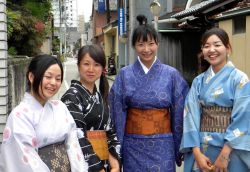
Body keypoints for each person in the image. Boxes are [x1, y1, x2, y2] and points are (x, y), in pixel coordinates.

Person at [109, 15, 189, 172]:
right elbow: (117, 112)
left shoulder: (171, 75)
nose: (146, 49)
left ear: (157, 44)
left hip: (163, 144)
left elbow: (180, 112)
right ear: (134, 46)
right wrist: (117, 148)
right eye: (141, 44)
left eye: (151, 44)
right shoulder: (125, 75)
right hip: (133, 145)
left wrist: (179, 144)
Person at [0, 54, 88, 172]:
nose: (53, 82)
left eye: (58, 78)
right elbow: (27, 163)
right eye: (48, 76)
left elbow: (73, 145)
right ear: (31, 77)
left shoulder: (60, 107)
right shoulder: (19, 116)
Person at [181, 27, 250, 172]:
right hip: (202, 150)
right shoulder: (198, 82)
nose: (212, 50)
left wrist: (224, 155)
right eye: (207, 46)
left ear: (227, 48)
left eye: (217, 45)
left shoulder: (239, 79)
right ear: (203, 52)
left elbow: (244, 117)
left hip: (231, 151)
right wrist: (196, 153)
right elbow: (190, 117)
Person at [61, 45, 121, 172]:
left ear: (102, 68)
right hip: (84, 165)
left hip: (105, 164)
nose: (91, 69)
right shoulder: (71, 97)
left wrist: (115, 164)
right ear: (78, 66)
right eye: (86, 64)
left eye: (97, 65)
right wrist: (98, 169)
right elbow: (77, 136)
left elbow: (110, 132)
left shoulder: (100, 96)